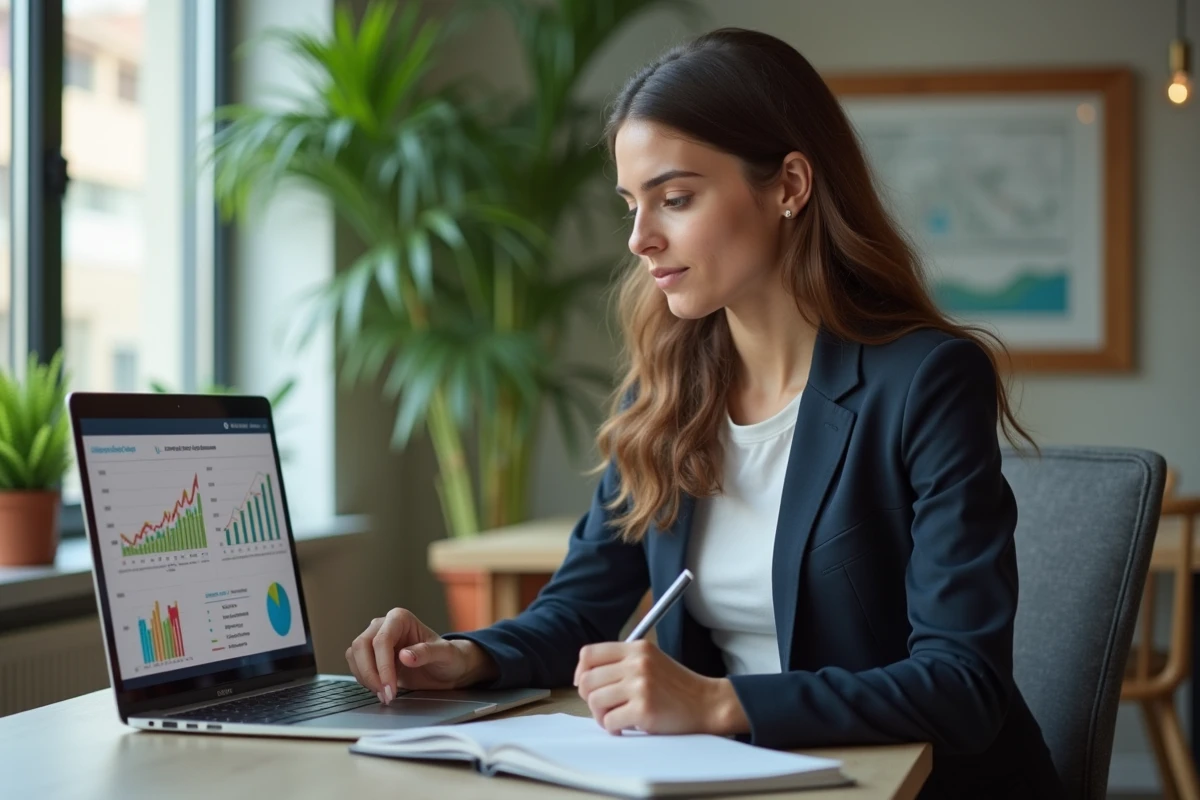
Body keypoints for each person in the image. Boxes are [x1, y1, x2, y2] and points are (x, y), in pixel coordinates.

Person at [345, 27, 1064, 799]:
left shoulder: (925, 381)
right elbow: (580, 607)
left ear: (789, 185)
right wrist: (462, 657)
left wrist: (719, 703)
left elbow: (963, 685)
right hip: (736, 781)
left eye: (675, 198)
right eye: (632, 203)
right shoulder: (664, 392)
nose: (640, 238)